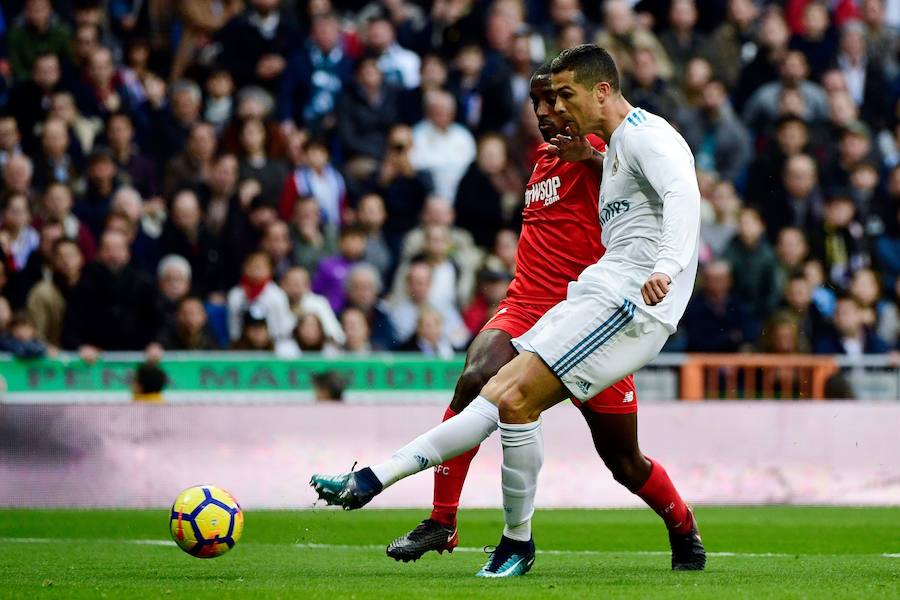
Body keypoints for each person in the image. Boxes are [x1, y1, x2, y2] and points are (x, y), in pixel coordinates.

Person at [311, 50, 705, 576]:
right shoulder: (580, 156)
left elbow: (681, 192)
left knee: (618, 458)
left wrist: (668, 265)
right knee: (491, 391)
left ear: (601, 92)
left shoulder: (630, 139)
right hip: (563, 306)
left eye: (563, 96)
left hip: (618, 305)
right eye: (543, 100)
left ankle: (677, 528)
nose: (552, 110)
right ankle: (394, 491)